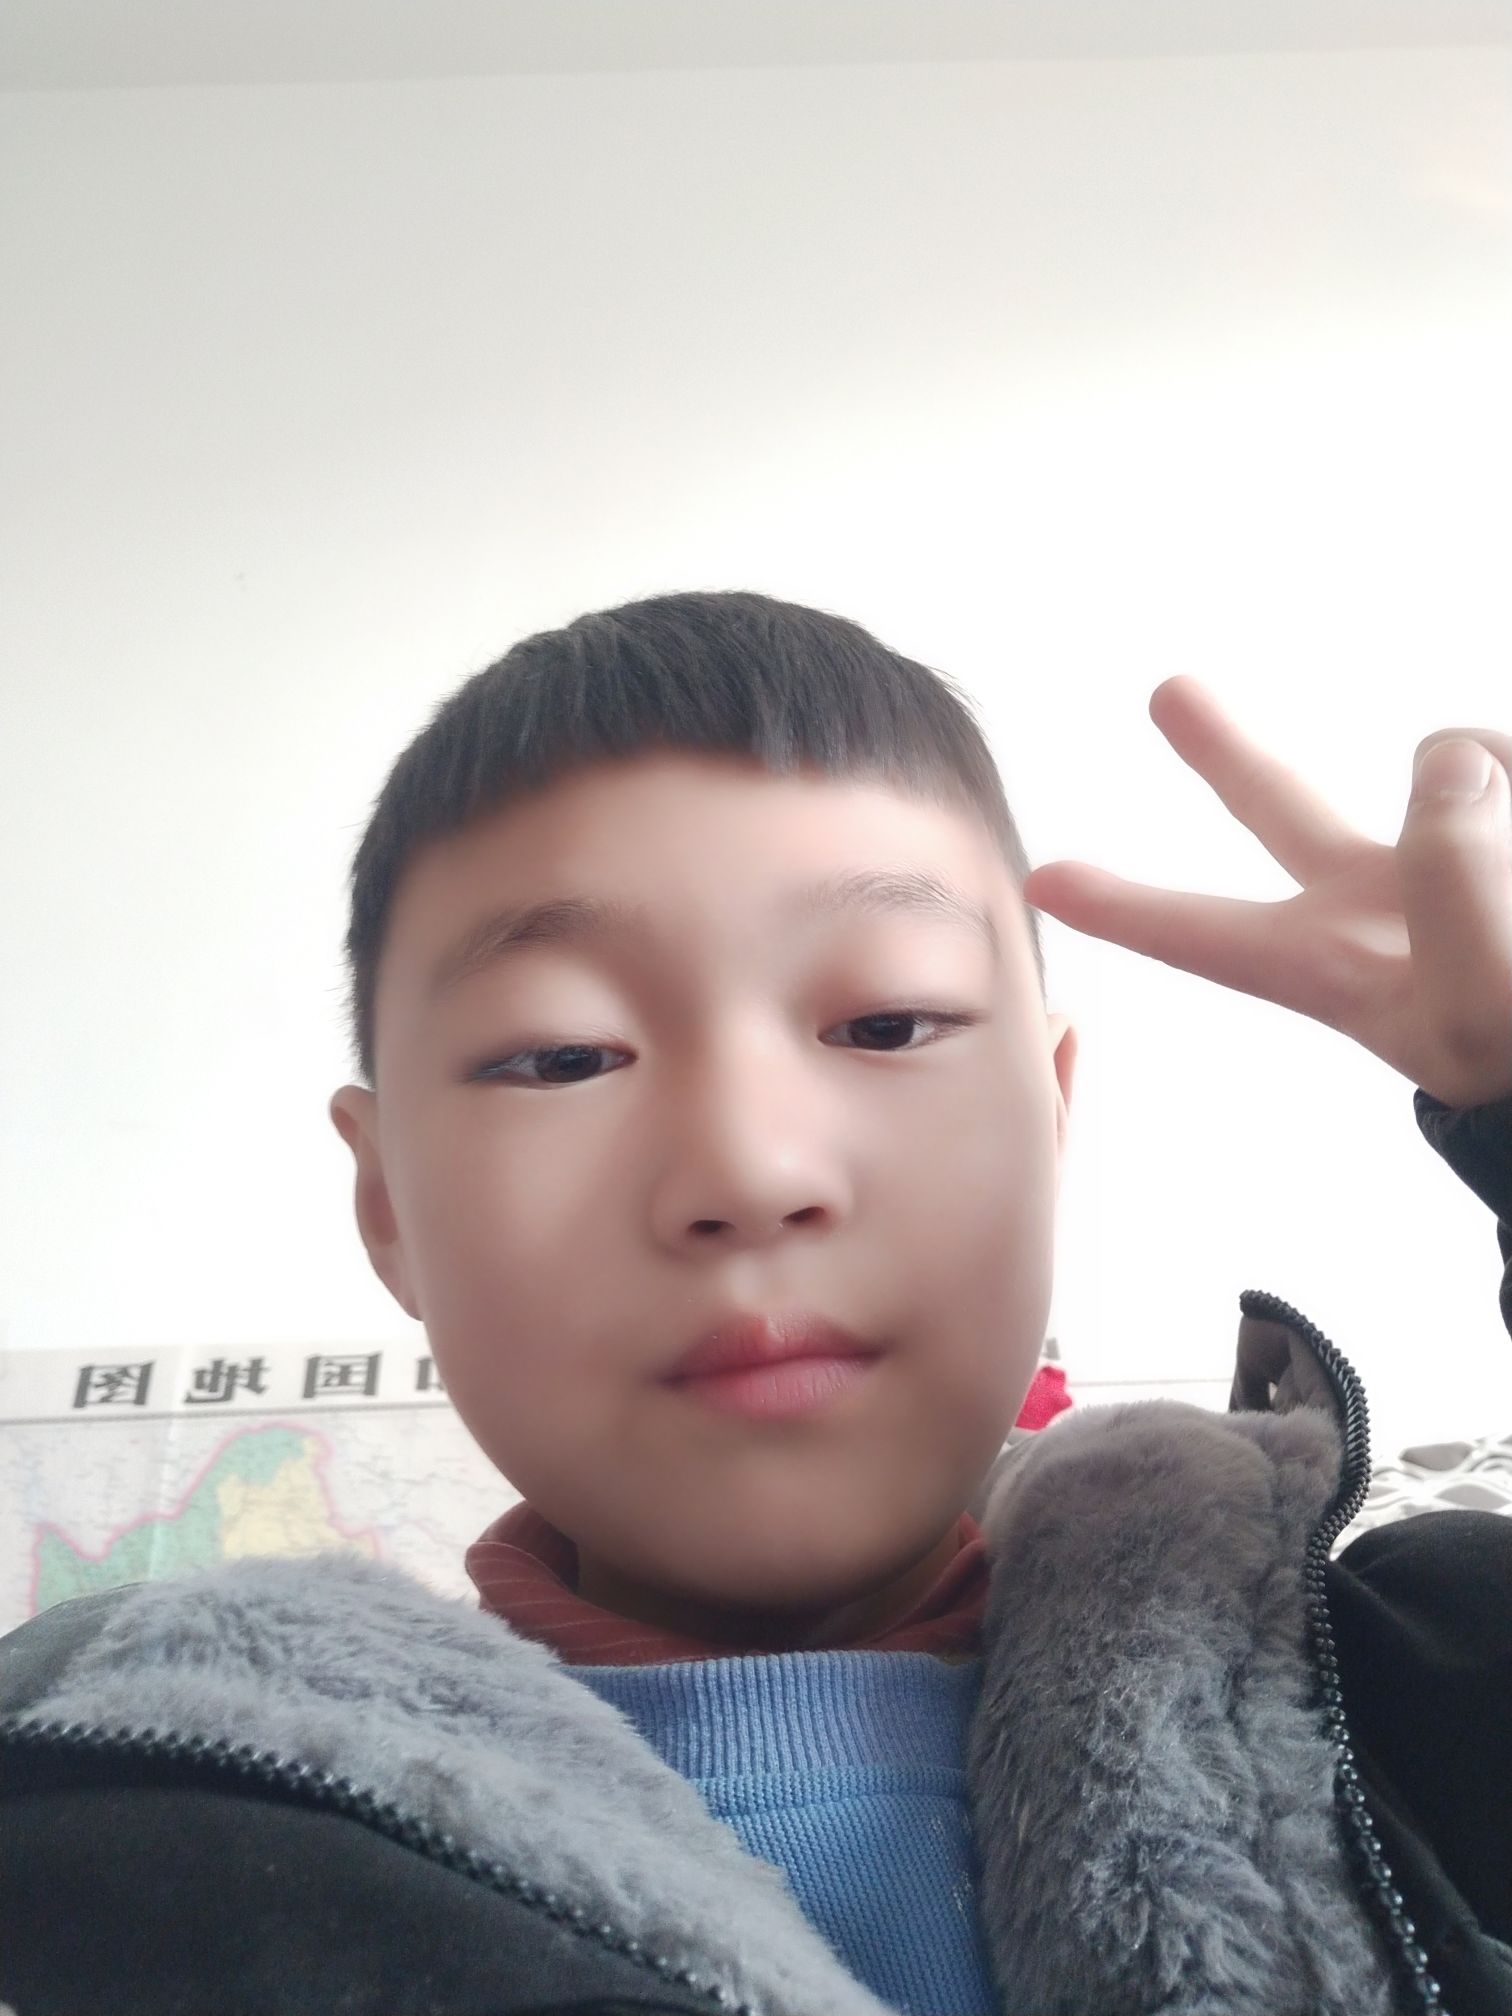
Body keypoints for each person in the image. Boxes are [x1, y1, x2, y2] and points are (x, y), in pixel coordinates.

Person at [1, 591, 1509, 2016]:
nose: (748, 1168)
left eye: (888, 1023)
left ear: (1051, 1112)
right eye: (562, 1057)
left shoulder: (1424, 1689)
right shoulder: (129, 1869)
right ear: (387, 1200)